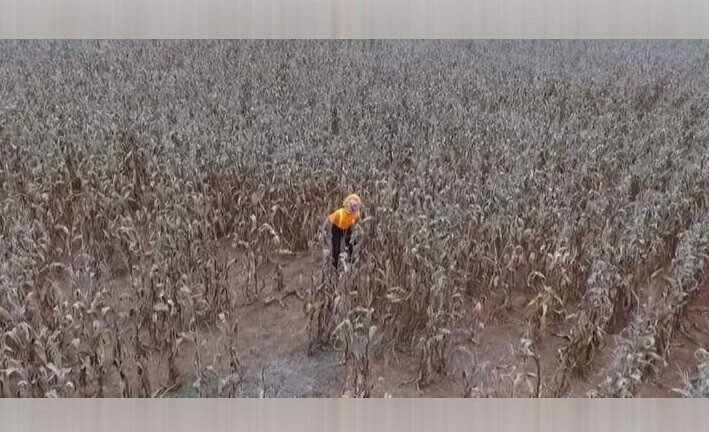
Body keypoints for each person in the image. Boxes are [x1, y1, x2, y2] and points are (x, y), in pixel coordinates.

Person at [327, 193, 362, 269]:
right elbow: (329, 220)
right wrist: (326, 231)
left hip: (347, 229)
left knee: (351, 243)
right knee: (336, 248)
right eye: (349, 205)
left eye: (354, 206)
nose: (351, 208)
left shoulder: (355, 214)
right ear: (346, 204)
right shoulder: (339, 212)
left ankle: (352, 261)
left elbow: (355, 222)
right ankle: (334, 266)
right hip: (336, 229)